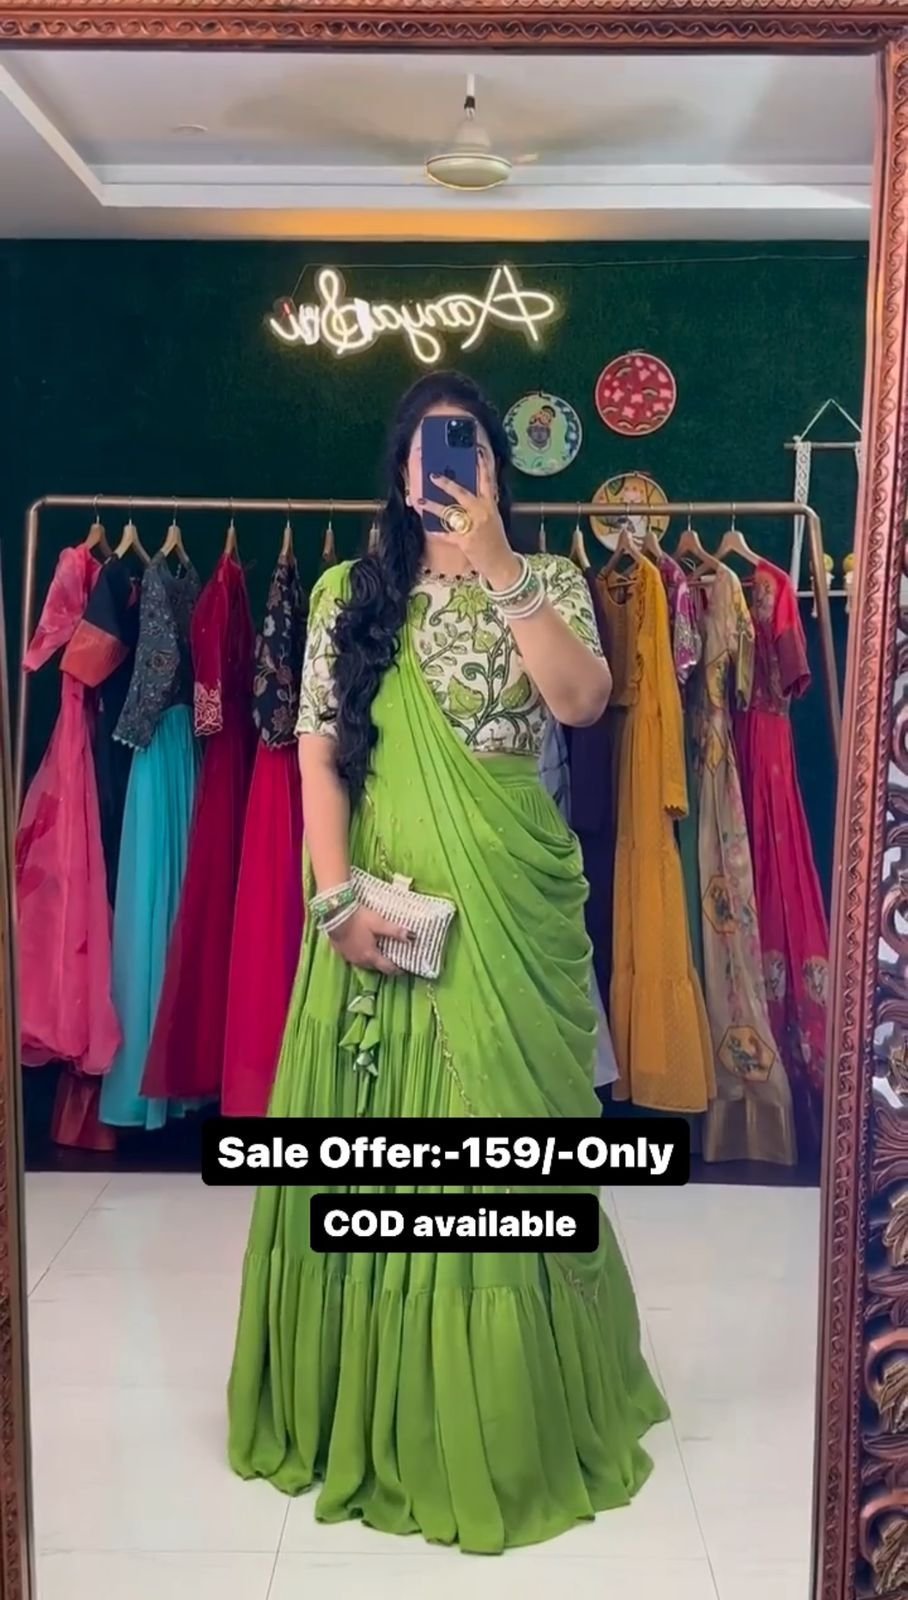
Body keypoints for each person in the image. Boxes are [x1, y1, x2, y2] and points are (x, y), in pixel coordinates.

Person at [227, 371, 667, 1554]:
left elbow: (580, 703)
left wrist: (500, 568)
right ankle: (375, 1401)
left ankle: (513, 1409)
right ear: (400, 467)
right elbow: (318, 757)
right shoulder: (346, 594)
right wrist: (332, 900)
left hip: (511, 909)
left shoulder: (552, 582)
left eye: (467, 444)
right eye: (431, 445)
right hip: (384, 907)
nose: (449, 463)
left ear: (495, 469)